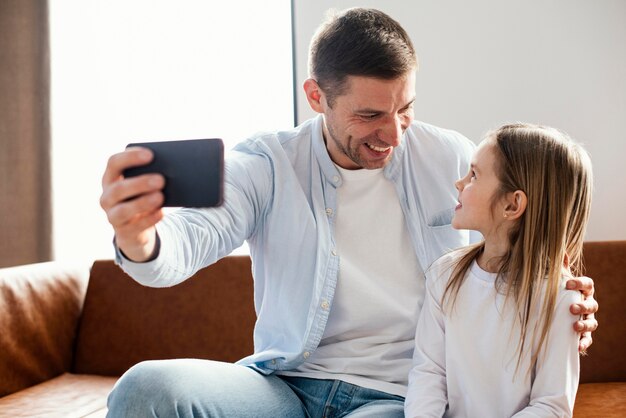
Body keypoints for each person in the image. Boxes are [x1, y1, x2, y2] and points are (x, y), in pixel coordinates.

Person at [100, 8, 598, 417]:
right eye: (369, 116)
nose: (394, 134)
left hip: (399, 397)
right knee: (144, 388)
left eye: (404, 109)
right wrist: (141, 240)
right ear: (316, 96)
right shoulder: (269, 162)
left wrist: (563, 294)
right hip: (283, 387)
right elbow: (193, 236)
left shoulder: (450, 156)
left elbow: (520, 233)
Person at [404, 124, 592, 417]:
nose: (459, 182)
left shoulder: (561, 298)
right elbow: (428, 372)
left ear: (512, 203)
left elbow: (551, 406)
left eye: (474, 175)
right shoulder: (444, 274)